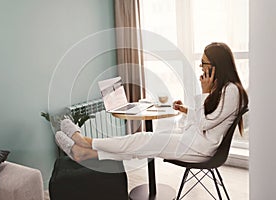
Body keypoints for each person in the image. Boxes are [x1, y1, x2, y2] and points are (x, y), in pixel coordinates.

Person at [55, 42, 249, 163]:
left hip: (199, 149)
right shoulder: (226, 89)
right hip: (193, 141)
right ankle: (86, 154)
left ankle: (86, 142)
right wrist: (186, 110)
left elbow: (205, 123)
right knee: (141, 145)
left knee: (142, 140)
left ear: (216, 67)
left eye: (204, 64)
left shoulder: (231, 91)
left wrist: (204, 93)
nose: (201, 69)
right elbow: (209, 118)